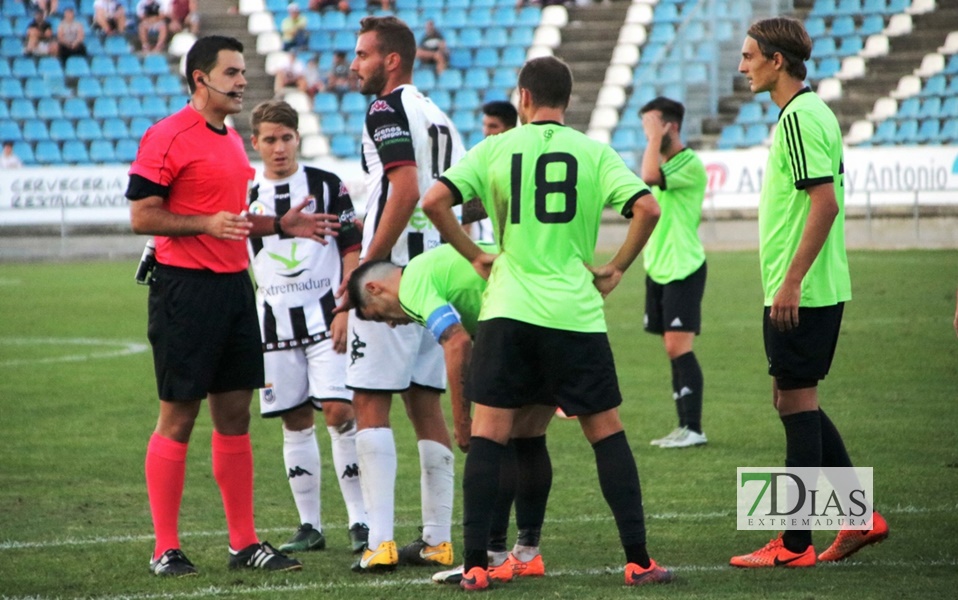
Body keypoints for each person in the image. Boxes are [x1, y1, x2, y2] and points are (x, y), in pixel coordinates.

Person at [420, 55, 673, 591]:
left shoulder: (494, 147)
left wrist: (475, 255)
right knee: (605, 434)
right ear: (568, 100)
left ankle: (475, 568)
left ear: (523, 99)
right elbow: (647, 209)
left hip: (509, 310)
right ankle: (639, 560)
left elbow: (434, 200)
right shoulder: (594, 152)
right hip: (574, 314)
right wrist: (617, 268)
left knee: (492, 438)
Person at [126, 35, 340, 577]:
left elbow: (234, 219)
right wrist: (204, 224)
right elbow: (143, 216)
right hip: (184, 289)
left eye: (243, 72)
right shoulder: (167, 136)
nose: (243, 81)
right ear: (200, 78)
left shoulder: (227, 142)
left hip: (233, 287)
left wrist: (279, 225)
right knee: (179, 414)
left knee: (235, 415)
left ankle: (244, 542)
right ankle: (165, 547)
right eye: (233, 72)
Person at [729, 17, 889, 569]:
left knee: (796, 400)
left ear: (777, 61)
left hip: (805, 288)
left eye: (750, 56)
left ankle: (793, 545)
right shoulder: (805, 112)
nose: (743, 66)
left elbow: (824, 203)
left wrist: (791, 281)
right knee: (791, 397)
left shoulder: (799, 116)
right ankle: (859, 517)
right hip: (802, 285)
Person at [347, 244, 556, 585]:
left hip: (517, 320)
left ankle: (490, 557)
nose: (390, 324)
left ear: (375, 288)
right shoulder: (435, 263)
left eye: (378, 314)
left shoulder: (413, 282)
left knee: (493, 439)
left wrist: (462, 422)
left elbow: (457, 343)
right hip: (554, 310)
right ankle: (527, 554)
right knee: (529, 437)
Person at [344, 15, 465, 573]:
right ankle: (437, 539)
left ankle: (382, 541)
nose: (354, 64)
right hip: (436, 272)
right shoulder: (440, 116)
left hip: (391, 280)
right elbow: (458, 198)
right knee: (424, 402)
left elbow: (407, 186)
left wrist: (372, 263)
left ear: (392, 60)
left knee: (370, 399)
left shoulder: (386, 108)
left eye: (364, 54)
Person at [247, 99, 369, 555]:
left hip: (326, 319)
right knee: (295, 421)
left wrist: (345, 307)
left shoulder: (326, 184)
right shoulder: (243, 191)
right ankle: (309, 526)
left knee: (339, 412)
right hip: (273, 324)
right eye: (269, 140)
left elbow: (352, 245)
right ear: (255, 142)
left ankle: (359, 520)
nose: (279, 148)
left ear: (297, 138)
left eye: (286, 138)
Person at [637, 96, 709, 449]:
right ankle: (684, 427)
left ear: (672, 126)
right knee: (671, 348)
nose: (647, 132)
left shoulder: (688, 163)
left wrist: (652, 140)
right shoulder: (664, 161)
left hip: (684, 266)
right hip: (660, 265)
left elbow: (650, 176)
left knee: (678, 346)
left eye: (653, 124)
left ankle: (693, 428)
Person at [462, 101, 517, 244]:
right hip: (487, 247)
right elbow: (469, 214)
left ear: (510, 129)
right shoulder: (479, 164)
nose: (486, 131)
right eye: (484, 125)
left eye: (493, 126)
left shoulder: (522, 162)